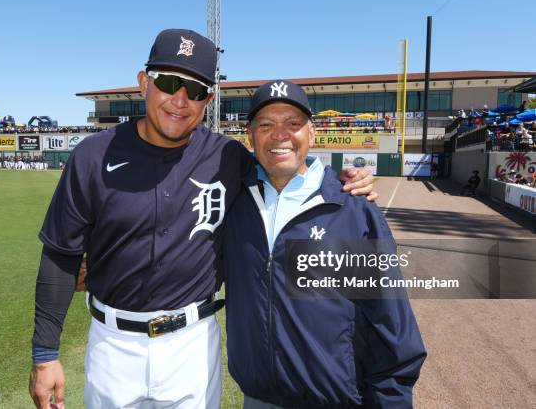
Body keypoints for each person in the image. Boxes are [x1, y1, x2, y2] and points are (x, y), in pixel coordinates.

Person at [29, 29, 376, 409]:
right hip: (113, 344)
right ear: (144, 83)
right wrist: (45, 355)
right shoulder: (93, 155)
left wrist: (343, 181)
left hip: (192, 346)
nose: (180, 100)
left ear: (208, 100)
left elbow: (284, 169)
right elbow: (60, 255)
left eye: (194, 90)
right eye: (169, 83)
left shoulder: (228, 157)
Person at [223, 80, 426, 408]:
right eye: (266, 124)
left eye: (293, 123)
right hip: (257, 399)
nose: (280, 134)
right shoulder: (234, 202)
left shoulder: (354, 208)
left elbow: (390, 323)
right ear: (250, 135)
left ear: (312, 134)